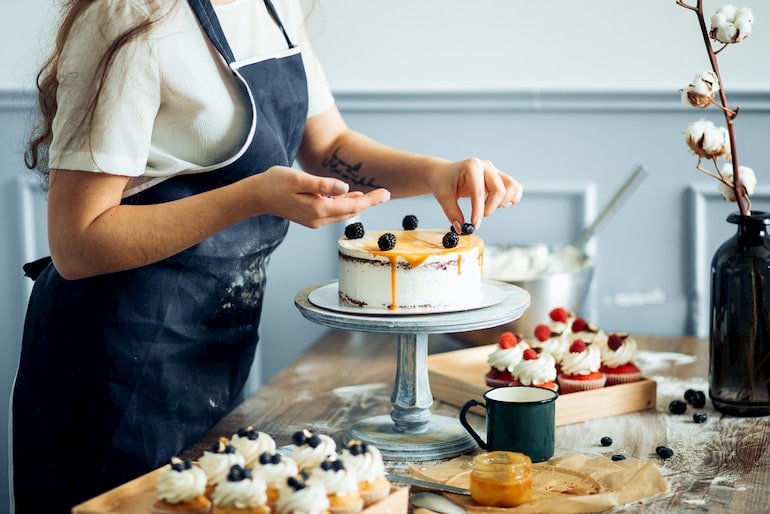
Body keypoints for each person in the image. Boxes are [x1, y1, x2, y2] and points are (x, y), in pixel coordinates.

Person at [12, 0, 523, 512]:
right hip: (112, 356)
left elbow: (328, 146)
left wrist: (437, 173)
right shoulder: (124, 17)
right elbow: (77, 242)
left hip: (214, 344)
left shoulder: (274, 6)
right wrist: (248, 196)